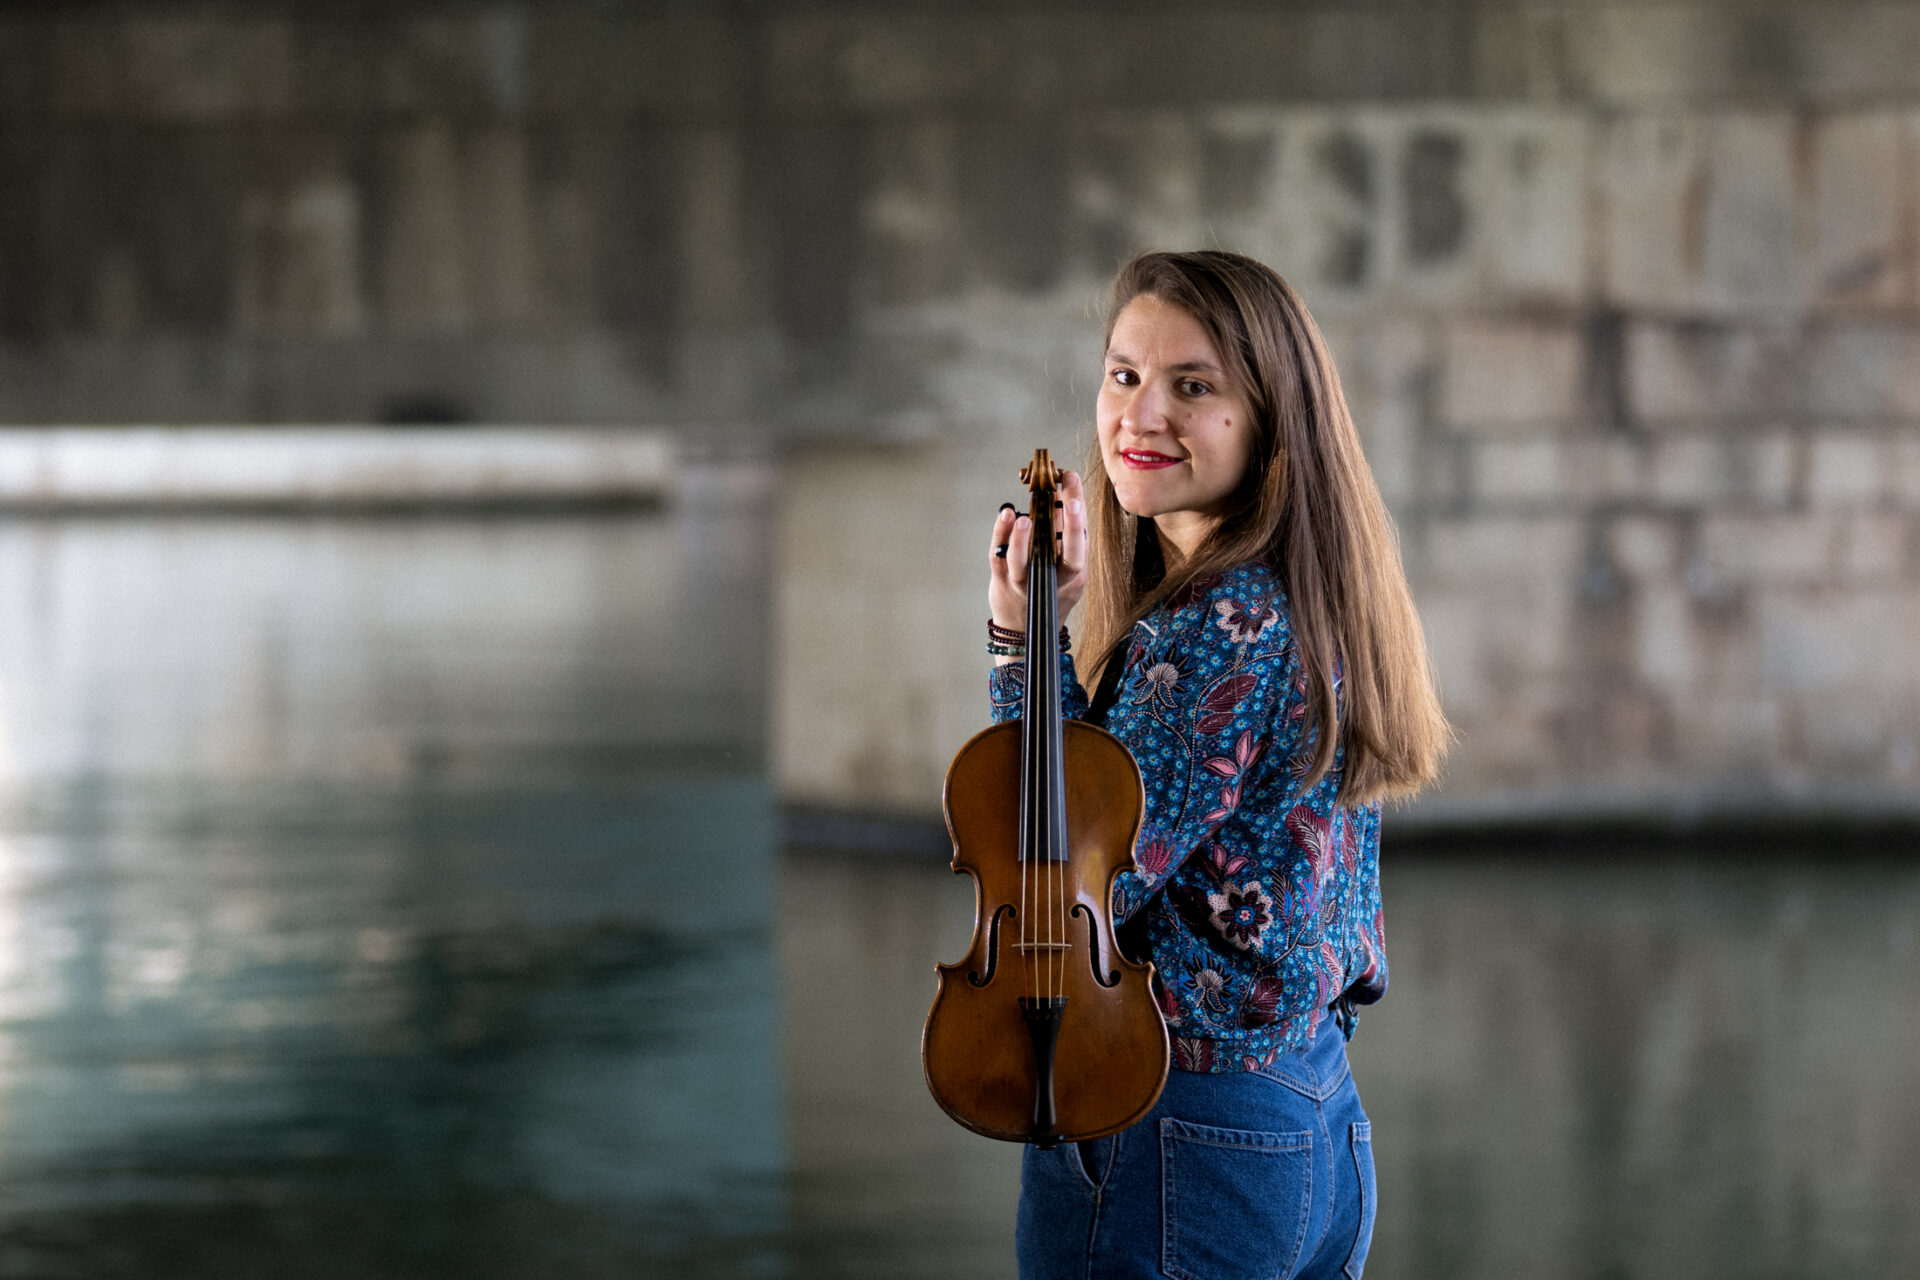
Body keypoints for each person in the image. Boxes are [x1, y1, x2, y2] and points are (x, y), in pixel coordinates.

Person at [985, 250, 1448, 1279]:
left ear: (1269, 418)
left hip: (1180, 1123)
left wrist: (1021, 647)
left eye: (1192, 387)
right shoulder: (1309, 595)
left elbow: (1066, 879)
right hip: (1314, 1107)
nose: (1140, 417)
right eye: (1124, 376)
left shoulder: (1220, 625)